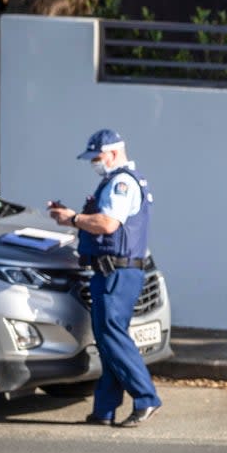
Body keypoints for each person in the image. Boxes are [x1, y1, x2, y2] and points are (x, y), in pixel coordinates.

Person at [47, 128, 161, 427]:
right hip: (113, 271)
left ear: (112, 152)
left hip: (117, 272)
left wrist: (71, 218)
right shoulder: (115, 181)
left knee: (112, 335)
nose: (94, 163)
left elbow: (108, 224)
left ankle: (146, 398)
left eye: (96, 157)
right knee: (108, 339)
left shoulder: (121, 182)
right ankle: (105, 409)